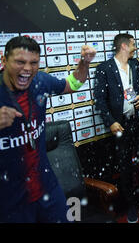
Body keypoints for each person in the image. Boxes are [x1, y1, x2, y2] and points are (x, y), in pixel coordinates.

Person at [0, 36, 96, 222]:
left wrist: (84, 63)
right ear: (4, 61)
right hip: (8, 199)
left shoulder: (40, 81)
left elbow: (73, 84)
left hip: (47, 188)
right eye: (20, 62)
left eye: (33, 63)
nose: (27, 69)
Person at [94, 33, 139, 223]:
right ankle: (131, 204)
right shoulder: (104, 69)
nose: (135, 48)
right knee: (125, 166)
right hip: (120, 125)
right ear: (123, 46)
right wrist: (110, 122)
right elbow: (99, 101)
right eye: (133, 44)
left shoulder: (135, 64)